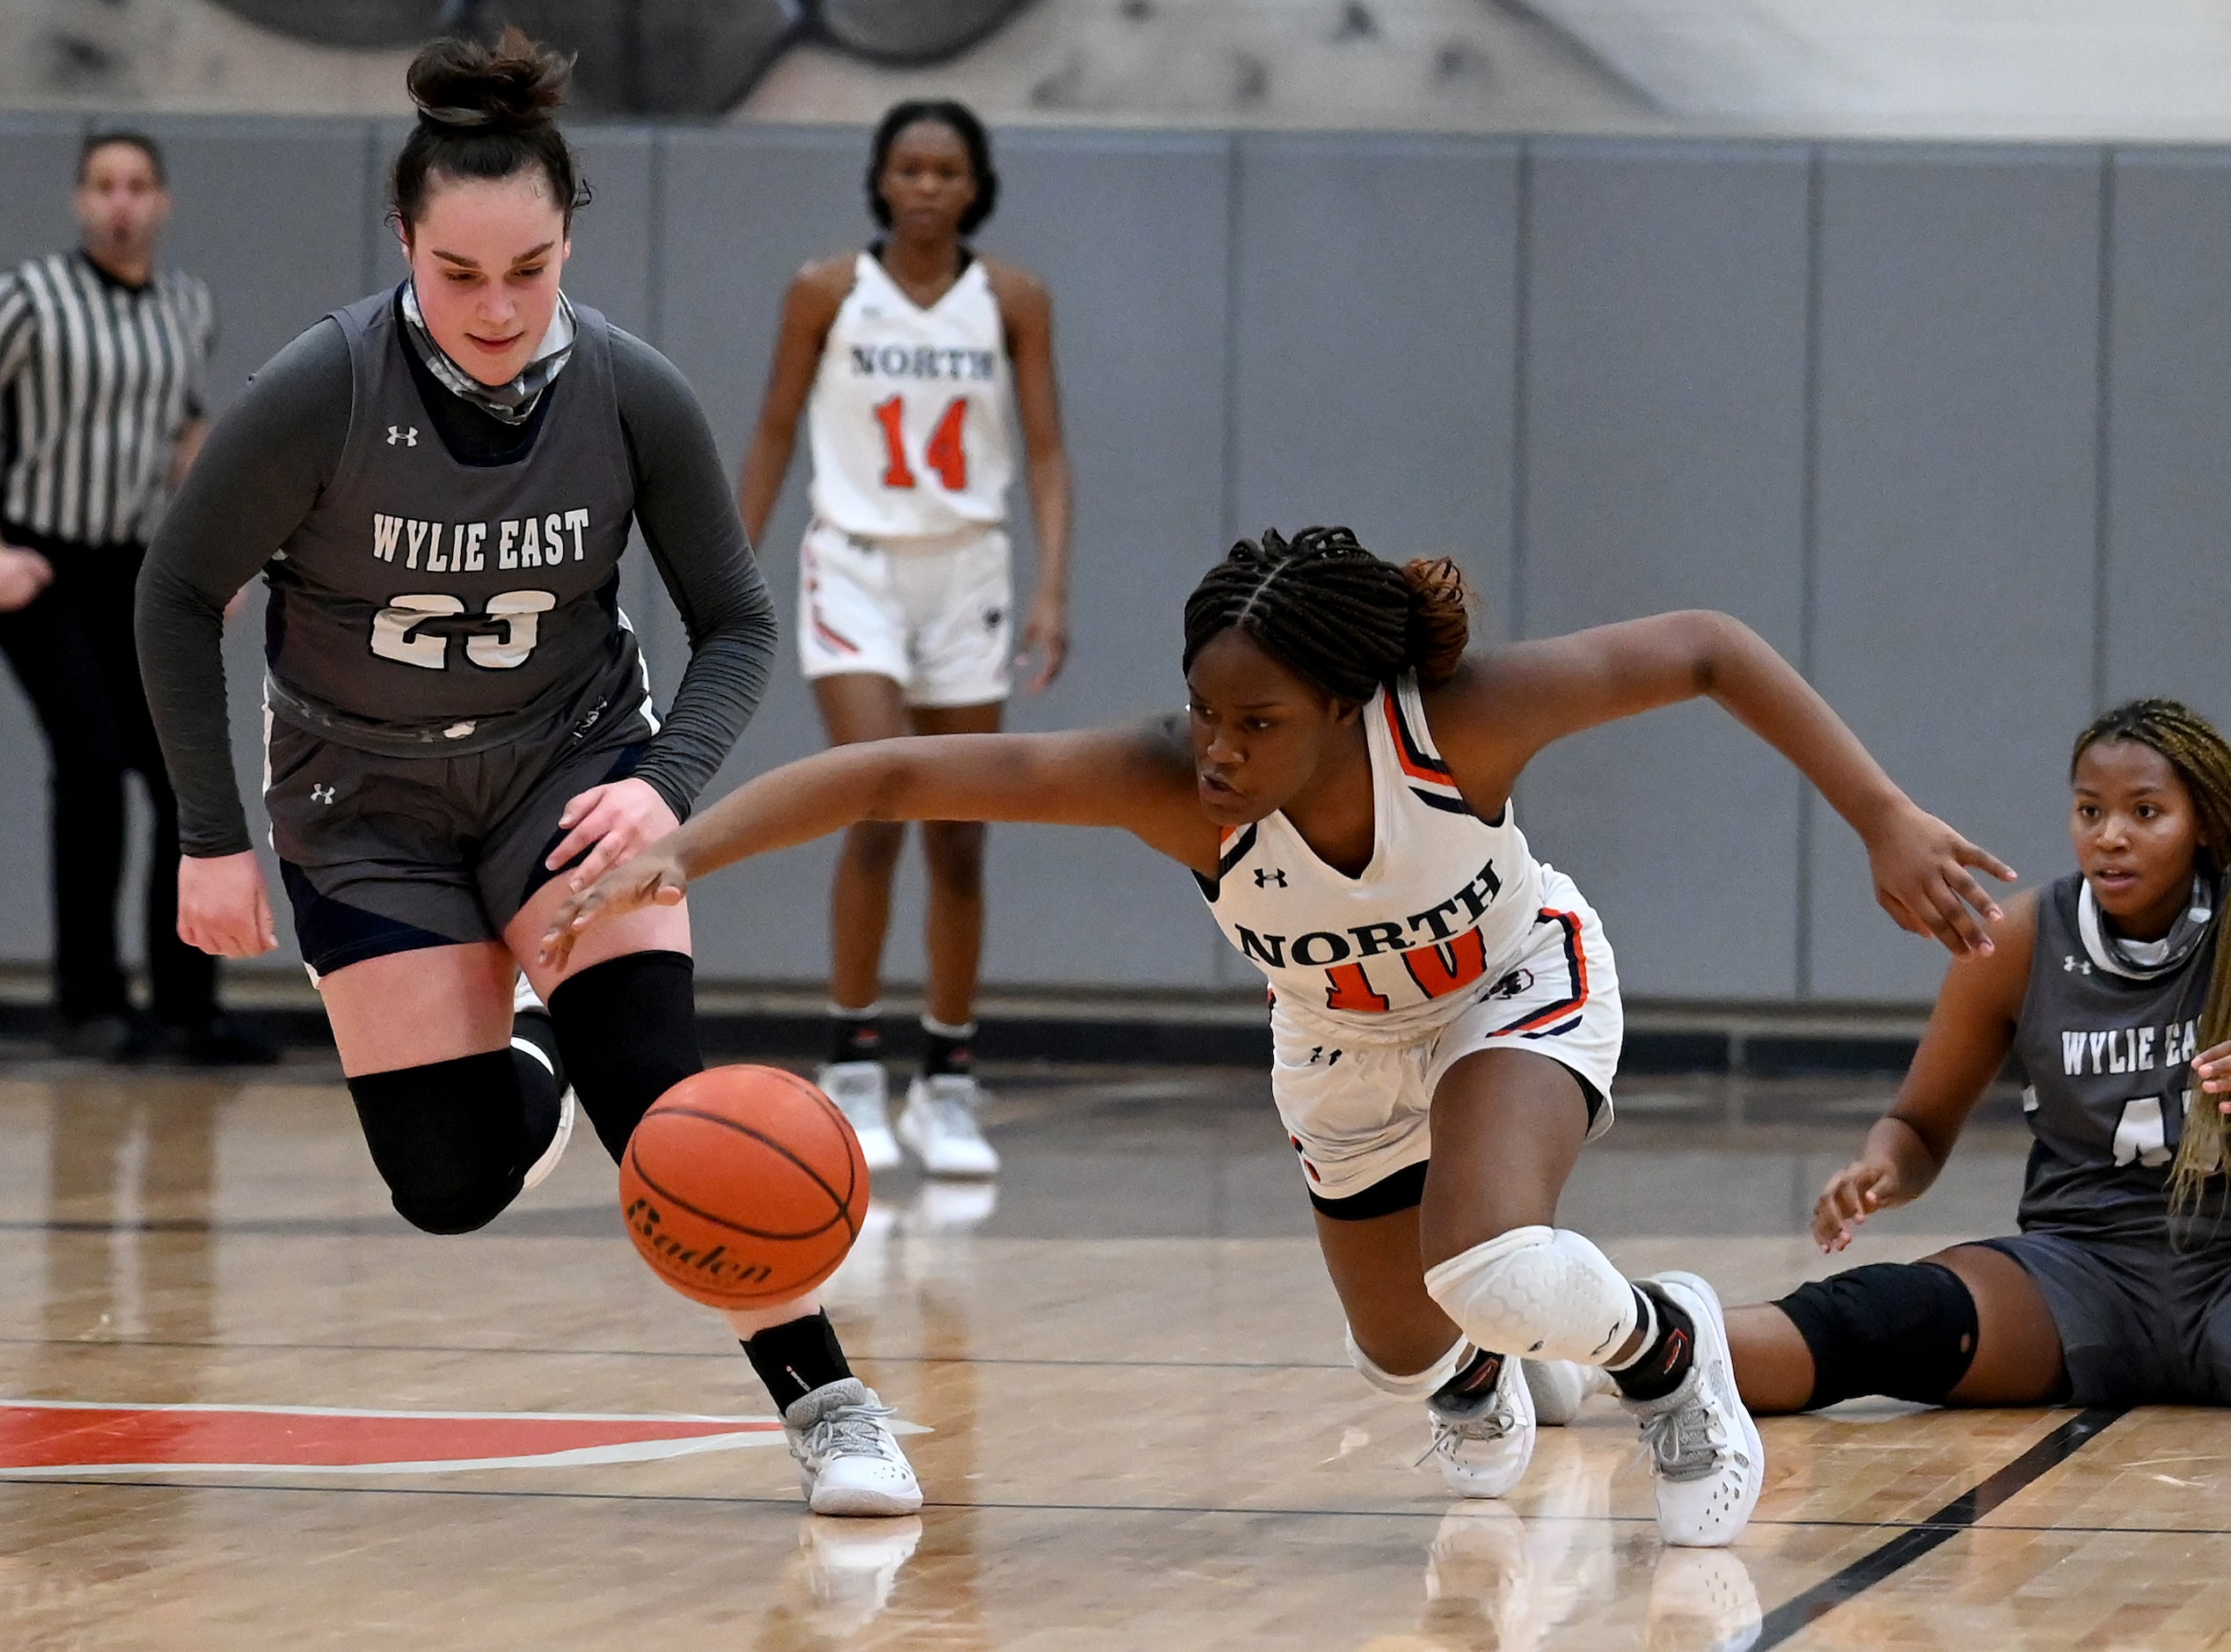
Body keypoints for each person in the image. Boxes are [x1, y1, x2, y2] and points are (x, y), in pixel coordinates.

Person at [542, 524, 2014, 1547]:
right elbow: (890, 774)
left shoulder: (1462, 720)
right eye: (1201, 714)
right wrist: (688, 848)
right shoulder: (1168, 783)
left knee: (1487, 1254)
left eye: (1255, 720)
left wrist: (1881, 813)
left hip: (1515, 983)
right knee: (1406, 1342)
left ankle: (1667, 1348)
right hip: (1340, 1047)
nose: (1219, 749)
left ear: (1345, 700)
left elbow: (1704, 646)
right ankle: (1488, 1365)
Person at [134, 29, 918, 1517]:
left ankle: (828, 1399)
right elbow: (176, 594)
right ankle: (532, 1058)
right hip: (361, 810)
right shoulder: (324, 388)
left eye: (530, 268)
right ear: (405, 246)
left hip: (568, 774)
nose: (496, 307)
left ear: (569, 240)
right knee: (445, 1183)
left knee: (663, 1095)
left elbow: (739, 620)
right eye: (458, 272)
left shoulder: (629, 392)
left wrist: (667, 783)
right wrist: (210, 836)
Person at [1721, 698, 2231, 1415]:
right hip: (2080, 1272)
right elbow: (1919, 1126)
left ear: (2202, 823)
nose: (2111, 837)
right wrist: (1882, 1169)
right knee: (1884, 1318)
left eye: (2145, 813)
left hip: (2223, 1265)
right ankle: (1623, 1348)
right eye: (2090, 811)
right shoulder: (2018, 940)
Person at [735, 99, 1073, 1178]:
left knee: (962, 829)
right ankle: (850, 1067)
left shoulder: (1012, 298)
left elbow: (1050, 452)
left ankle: (951, 1080)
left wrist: (1051, 587)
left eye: (947, 170)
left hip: (967, 564)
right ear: (880, 180)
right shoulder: (826, 291)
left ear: (976, 185)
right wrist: (727, 570)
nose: (927, 186)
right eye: (909, 168)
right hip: (856, 564)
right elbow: (776, 430)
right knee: (875, 795)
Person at [0, 131, 268, 1064]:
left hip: (137, 566)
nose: (121, 203)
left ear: (163, 202)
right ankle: (89, 1001)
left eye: (138, 186)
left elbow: (185, 436)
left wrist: (217, 554)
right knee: (90, 762)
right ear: (79, 200)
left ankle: (188, 1006)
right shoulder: (29, 300)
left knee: (175, 779)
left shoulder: (185, 306)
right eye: (104, 186)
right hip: (37, 563)